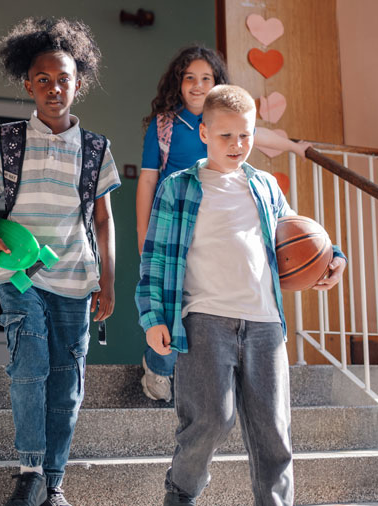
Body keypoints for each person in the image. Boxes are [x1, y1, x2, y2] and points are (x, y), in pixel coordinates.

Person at [135, 85, 346, 505]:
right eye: (226, 135)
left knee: (273, 431)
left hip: (265, 324)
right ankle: (181, 494)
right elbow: (154, 258)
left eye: (246, 135)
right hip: (204, 320)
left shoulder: (264, 186)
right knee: (212, 419)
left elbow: (296, 232)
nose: (237, 144)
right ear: (204, 133)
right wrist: (153, 317)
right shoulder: (178, 187)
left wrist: (333, 259)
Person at [0, 17, 119, 506]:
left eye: (63, 79)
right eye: (43, 80)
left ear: (78, 84)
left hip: (76, 278)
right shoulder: (7, 139)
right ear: (28, 85)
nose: (54, 88)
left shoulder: (96, 149)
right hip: (18, 274)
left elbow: (104, 220)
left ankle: (53, 482)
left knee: (66, 384)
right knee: (29, 365)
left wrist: (107, 281)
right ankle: (29, 471)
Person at [136, 46, 309, 402]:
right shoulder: (165, 125)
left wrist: (295, 147)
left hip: (218, 228)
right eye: (190, 78)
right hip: (176, 226)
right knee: (167, 304)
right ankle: (158, 368)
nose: (198, 85)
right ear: (178, 83)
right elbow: (148, 181)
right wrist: (143, 238)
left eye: (206, 78)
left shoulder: (232, 128)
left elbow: (257, 133)